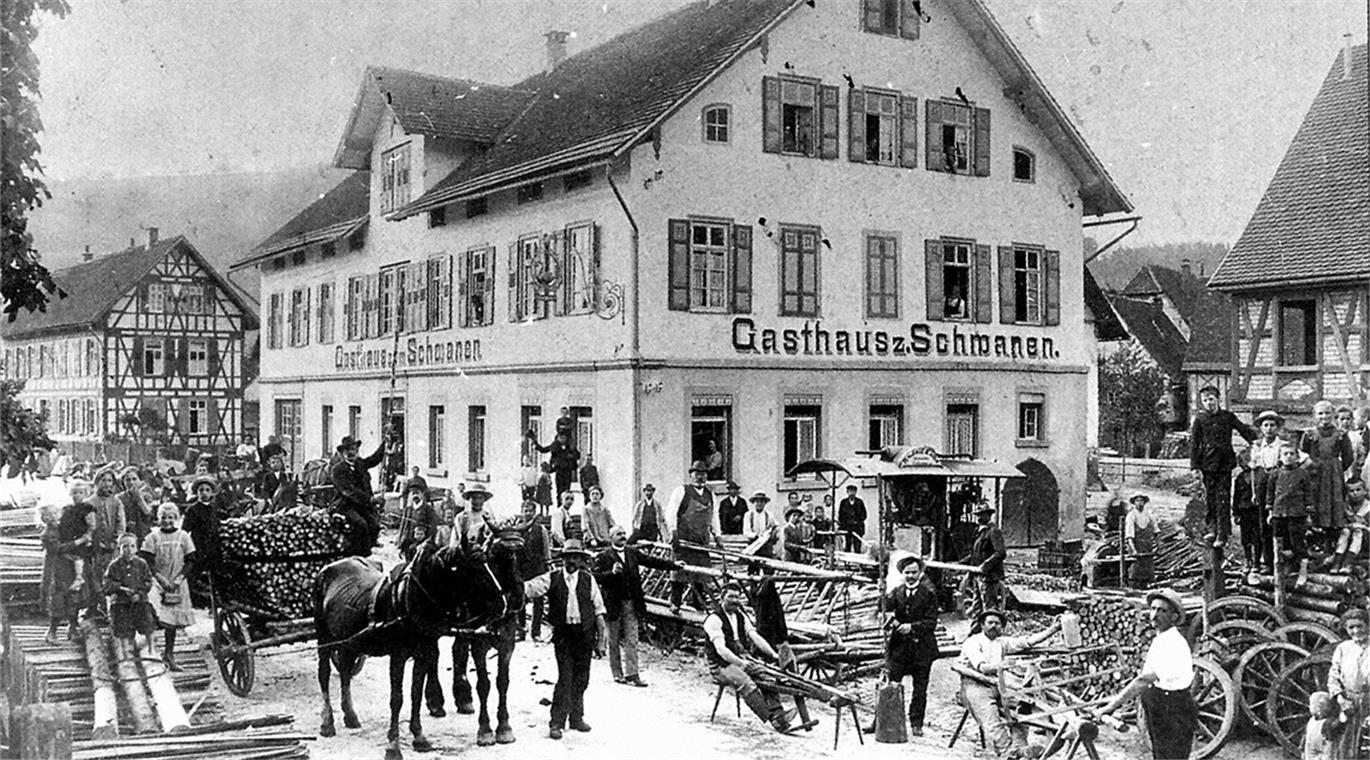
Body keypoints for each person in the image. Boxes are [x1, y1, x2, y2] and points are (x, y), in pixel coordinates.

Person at [522, 539, 608, 740]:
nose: (572, 561)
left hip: (585, 635)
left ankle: (576, 719)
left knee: (582, 679)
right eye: (569, 557)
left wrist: (601, 640)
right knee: (565, 678)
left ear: (581, 560)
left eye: (576, 557)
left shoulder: (588, 580)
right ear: (563, 559)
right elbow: (530, 588)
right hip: (563, 636)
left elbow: (599, 611)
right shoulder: (552, 578)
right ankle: (556, 722)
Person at [1100, 589, 1196, 759]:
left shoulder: (1172, 643)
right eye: (1153, 609)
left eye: (1162, 610)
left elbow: (1143, 680)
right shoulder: (1161, 639)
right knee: (1161, 754)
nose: (1154, 615)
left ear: (1174, 618)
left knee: (1170, 756)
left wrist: (1111, 707)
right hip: (1160, 702)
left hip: (1173, 706)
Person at [958, 609, 1061, 755]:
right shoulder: (973, 642)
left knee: (1023, 706)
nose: (994, 626)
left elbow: (1028, 641)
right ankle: (1008, 752)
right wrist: (1004, 665)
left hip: (998, 684)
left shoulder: (1001, 642)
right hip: (975, 685)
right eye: (990, 623)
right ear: (982, 625)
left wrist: (1053, 629)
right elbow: (983, 668)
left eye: (998, 624)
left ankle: (1020, 746)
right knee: (992, 721)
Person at [703, 580, 794, 733]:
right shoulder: (714, 619)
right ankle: (773, 720)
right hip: (720, 665)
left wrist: (772, 654)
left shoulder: (740, 616)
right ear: (721, 598)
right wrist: (741, 663)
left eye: (737, 597)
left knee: (768, 676)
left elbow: (754, 636)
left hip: (742, 659)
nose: (734, 601)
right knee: (745, 682)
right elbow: (721, 650)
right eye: (730, 597)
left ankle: (780, 715)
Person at [592, 525, 674, 687]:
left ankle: (632, 674)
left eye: (623, 533)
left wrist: (674, 565)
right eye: (618, 534)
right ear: (611, 538)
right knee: (614, 639)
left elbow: (652, 561)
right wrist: (611, 573)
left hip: (631, 602)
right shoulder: (603, 556)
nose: (623, 536)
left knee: (632, 639)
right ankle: (617, 673)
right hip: (613, 604)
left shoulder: (632, 552)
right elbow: (595, 577)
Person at [1189, 385, 1257, 548]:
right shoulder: (1200, 419)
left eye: (1211, 399)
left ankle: (1223, 533)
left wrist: (1256, 443)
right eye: (1205, 400)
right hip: (1207, 464)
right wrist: (1194, 466)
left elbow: (1244, 430)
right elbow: (1194, 443)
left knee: (1223, 498)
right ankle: (1212, 528)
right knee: (1210, 498)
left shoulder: (1227, 417)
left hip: (1224, 464)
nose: (1208, 403)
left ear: (1218, 399)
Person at [885, 555, 940, 737]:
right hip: (899, 647)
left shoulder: (928, 594)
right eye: (907, 573)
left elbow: (931, 622)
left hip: (922, 648)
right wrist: (883, 603)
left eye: (914, 572)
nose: (910, 576)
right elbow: (884, 608)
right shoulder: (896, 592)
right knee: (892, 685)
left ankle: (916, 723)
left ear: (920, 573)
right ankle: (884, 720)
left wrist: (912, 627)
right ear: (902, 573)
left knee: (920, 689)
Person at [141, 503, 196, 671]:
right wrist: (160, 578)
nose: (167, 521)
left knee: (171, 621)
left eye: (171, 517)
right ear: (158, 519)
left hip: (177, 583)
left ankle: (169, 654)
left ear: (177, 519)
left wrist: (179, 579)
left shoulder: (183, 536)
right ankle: (149, 651)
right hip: (158, 582)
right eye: (163, 517)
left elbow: (191, 560)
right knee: (154, 617)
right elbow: (147, 561)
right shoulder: (153, 537)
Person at [664, 461, 724, 611]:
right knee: (679, 571)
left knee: (701, 574)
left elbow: (714, 517)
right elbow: (670, 513)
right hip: (684, 539)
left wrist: (717, 536)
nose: (700, 477)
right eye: (697, 474)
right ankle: (675, 603)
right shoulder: (681, 491)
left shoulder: (711, 495)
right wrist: (673, 531)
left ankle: (699, 605)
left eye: (703, 474)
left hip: (701, 540)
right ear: (691, 475)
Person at [47, 480, 95, 643]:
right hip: (63, 562)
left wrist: (86, 540)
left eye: (80, 493)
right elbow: (58, 546)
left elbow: (91, 528)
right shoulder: (64, 514)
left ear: (86, 494)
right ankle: (51, 631)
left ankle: (72, 628)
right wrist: (79, 541)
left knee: (75, 595)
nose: (77, 496)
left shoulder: (88, 510)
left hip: (77, 557)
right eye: (74, 493)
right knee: (60, 595)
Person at [329, 435, 390, 555]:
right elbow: (349, 491)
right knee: (360, 524)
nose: (351, 453)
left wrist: (385, 442)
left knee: (374, 525)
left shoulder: (360, 464)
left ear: (357, 451)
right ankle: (357, 554)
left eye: (353, 449)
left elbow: (374, 459)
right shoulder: (337, 470)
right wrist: (371, 499)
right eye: (347, 450)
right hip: (345, 506)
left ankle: (366, 552)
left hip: (362, 506)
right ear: (342, 453)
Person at [1300, 400, 1354, 533]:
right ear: (1315, 416)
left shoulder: (1340, 434)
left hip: (1334, 473)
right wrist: (1311, 465)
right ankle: (1316, 536)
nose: (1324, 416)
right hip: (1315, 471)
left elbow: (1348, 456)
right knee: (1315, 498)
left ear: (1333, 414)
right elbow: (1302, 452)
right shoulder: (1309, 434)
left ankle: (1331, 538)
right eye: (1320, 413)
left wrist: (1337, 468)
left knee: (1334, 502)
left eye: (1327, 413)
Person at [102, 533, 157, 653]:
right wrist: (120, 588)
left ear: (137, 548)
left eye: (132, 546)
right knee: (123, 628)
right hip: (121, 602)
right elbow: (107, 583)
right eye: (125, 546)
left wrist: (140, 593)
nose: (129, 550)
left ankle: (151, 650)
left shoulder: (141, 564)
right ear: (119, 549)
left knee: (147, 623)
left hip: (140, 601)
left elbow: (148, 581)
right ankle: (125, 652)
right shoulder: (114, 565)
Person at [1268, 443, 1314, 583]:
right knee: (1281, 541)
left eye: (1291, 454)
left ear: (1297, 457)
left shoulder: (1302, 474)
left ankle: (1303, 571)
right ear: (1280, 458)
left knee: (1297, 542)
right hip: (1279, 513)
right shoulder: (1275, 474)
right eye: (1285, 454)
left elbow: (1308, 494)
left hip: (1297, 514)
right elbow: (1270, 494)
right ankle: (1284, 568)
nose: (1288, 457)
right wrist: (1270, 512)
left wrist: (1309, 514)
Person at [1327, 608, 1369, 759]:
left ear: (1367, 626)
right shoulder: (1343, 648)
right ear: (1346, 629)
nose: (1356, 631)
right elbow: (1334, 676)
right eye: (1351, 627)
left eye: (1360, 626)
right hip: (1348, 702)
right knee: (1345, 744)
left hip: (1369, 703)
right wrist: (1341, 699)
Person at [960, 502, 1006, 632]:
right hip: (977, 576)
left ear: (989, 515)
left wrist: (985, 566)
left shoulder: (993, 531)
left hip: (989, 577)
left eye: (982, 515)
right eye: (978, 515)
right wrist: (961, 563)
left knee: (989, 608)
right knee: (977, 607)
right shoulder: (979, 532)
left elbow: (1000, 553)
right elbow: (975, 554)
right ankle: (974, 633)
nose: (979, 518)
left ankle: (992, 634)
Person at [516, 499, 551, 641]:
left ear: (534, 512)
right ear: (522, 512)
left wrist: (547, 563)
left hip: (537, 567)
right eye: (525, 510)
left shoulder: (540, 529)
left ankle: (535, 632)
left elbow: (546, 547)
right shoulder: (517, 527)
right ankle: (521, 630)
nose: (528, 513)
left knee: (538, 600)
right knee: (520, 599)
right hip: (521, 568)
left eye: (530, 510)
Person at [527, 430, 580, 503]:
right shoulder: (554, 446)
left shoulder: (570, 447)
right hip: (559, 470)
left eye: (564, 438)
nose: (562, 439)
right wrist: (535, 443)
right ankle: (559, 505)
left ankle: (566, 506)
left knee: (567, 489)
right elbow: (544, 449)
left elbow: (577, 455)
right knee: (560, 490)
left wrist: (570, 456)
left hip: (568, 470)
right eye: (560, 438)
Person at [1330, 480, 1369, 573]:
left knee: (1358, 531)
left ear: (1365, 491)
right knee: (1345, 531)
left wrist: (1360, 526)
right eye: (1352, 491)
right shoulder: (1347, 507)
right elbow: (1341, 523)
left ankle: (1348, 563)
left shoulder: (1368, 508)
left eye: (1358, 490)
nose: (1355, 493)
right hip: (1349, 539)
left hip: (1366, 540)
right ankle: (1337, 561)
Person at [396, 481, 438, 559]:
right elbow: (403, 526)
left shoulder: (428, 509)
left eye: (417, 493)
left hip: (422, 542)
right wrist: (400, 542)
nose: (415, 496)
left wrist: (427, 541)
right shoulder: (408, 509)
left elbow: (433, 527)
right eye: (413, 493)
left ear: (422, 494)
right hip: (409, 542)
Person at [1124, 494, 1157, 588]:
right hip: (1136, 545)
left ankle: (1147, 586)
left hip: (1147, 546)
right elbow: (1129, 535)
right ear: (1134, 503)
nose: (1140, 503)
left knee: (1148, 570)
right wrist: (1133, 549)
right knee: (1135, 570)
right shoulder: (1131, 515)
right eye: (1137, 501)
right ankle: (1133, 587)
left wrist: (1156, 545)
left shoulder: (1148, 514)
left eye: (1142, 501)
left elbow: (1155, 530)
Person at [452, 483, 499, 548]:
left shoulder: (489, 517)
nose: (477, 501)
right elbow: (456, 539)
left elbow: (492, 536)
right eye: (474, 498)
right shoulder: (461, 517)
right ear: (469, 499)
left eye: (480, 498)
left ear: (484, 500)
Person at [118, 467, 155, 542]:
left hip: (144, 533)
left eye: (134, 479)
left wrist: (139, 498)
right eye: (128, 480)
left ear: (140, 480)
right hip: (127, 533)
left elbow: (148, 513)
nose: (131, 482)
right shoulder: (119, 498)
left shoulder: (146, 495)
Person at [1302, 691, 1342, 760]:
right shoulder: (1313, 721)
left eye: (1311, 705)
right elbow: (1305, 735)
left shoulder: (1325, 723)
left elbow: (1335, 726)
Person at [742, 491, 779, 558]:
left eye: (762, 502)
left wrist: (772, 532)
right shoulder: (749, 515)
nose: (759, 504)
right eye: (757, 501)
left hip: (765, 545)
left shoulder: (769, 515)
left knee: (768, 566)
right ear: (754, 503)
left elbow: (776, 526)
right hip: (753, 545)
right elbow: (746, 531)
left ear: (765, 503)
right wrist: (754, 536)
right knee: (753, 566)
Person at [837, 485, 867, 552]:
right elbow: (841, 515)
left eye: (853, 491)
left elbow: (864, 514)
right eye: (850, 491)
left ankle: (858, 560)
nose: (851, 493)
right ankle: (847, 561)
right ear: (847, 492)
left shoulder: (860, 502)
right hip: (848, 528)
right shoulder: (843, 502)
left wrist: (857, 522)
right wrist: (845, 524)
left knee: (857, 546)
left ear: (856, 492)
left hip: (858, 528)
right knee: (848, 545)